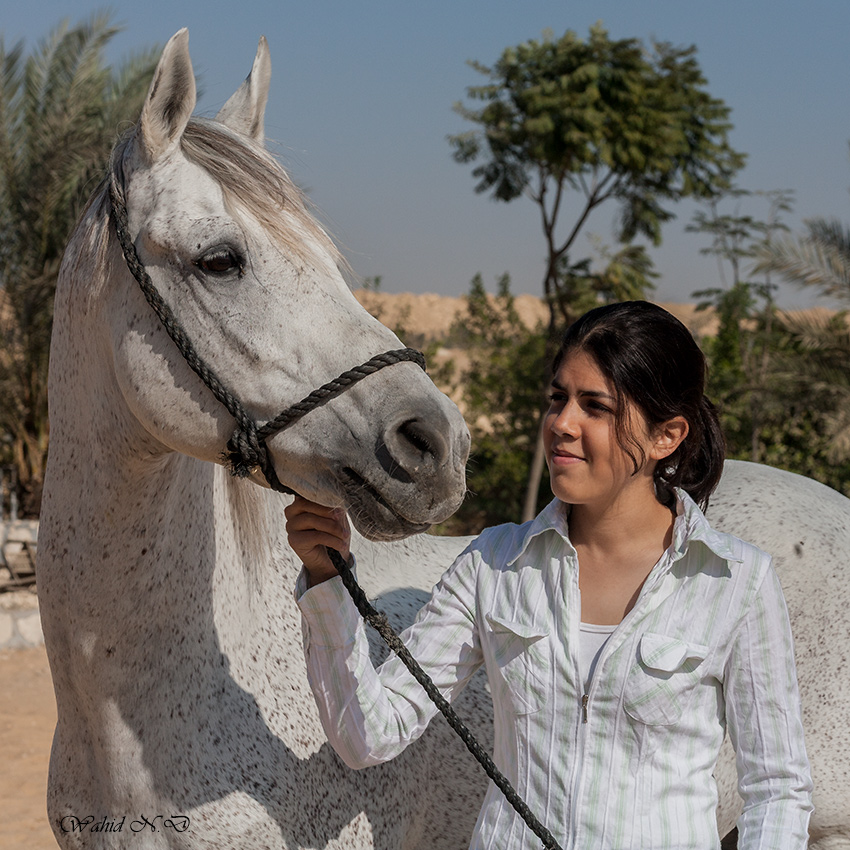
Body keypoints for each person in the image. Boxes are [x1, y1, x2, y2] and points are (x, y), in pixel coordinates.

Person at [285, 301, 813, 849]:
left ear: (667, 436)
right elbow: (369, 735)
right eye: (558, 398)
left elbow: (777, 788)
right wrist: (327, 582)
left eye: (596, 406)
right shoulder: (495, 564)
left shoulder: (736, 581)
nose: (562, 423)